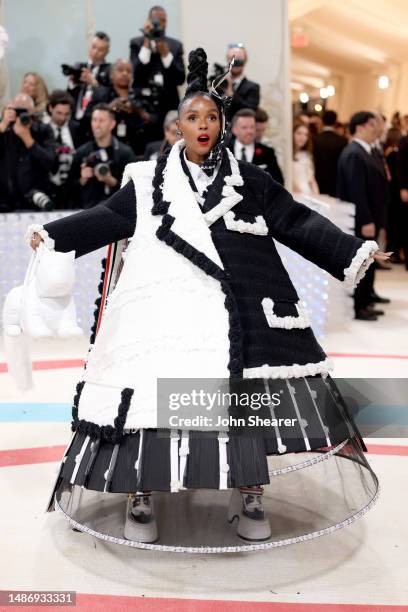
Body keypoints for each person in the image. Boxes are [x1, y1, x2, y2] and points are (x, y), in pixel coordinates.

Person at [28, 48, 386, 547]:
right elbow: (107, 218)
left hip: (238, 309)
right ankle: (141, 491)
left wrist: (354, 251)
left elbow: (295, 220)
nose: (203, 125)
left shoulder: (248, 179)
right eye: (192, 117)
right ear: (177, 126)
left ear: (221, 123)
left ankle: (250, 491)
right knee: (151, 397)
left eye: (211, 117)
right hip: (163, 312)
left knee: (238, 395)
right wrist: (52, 235)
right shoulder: (147, 179)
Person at [337, 111, 390, 320]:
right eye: (371, 125)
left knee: (369, 260)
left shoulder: (364, 151)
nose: (375, 129)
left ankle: (366, 299)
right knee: (361, 262)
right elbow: (356, 190)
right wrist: (366, 218)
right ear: (360, 127)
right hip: (362, 220)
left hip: (370, 218)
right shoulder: (353, 153)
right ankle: (359, 306)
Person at [68, 103, 136, 208]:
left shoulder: (125, 153)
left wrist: (111, 181)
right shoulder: (82, 152)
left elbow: (135, 190)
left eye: (101, 121)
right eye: (94, 120)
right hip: (86, 211)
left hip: (116, 212)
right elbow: (68, 190)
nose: (97, 125)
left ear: (112, 124)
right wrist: (82, 180)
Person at [86, 59, 158, 156]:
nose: (125, 73)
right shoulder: (100, 93)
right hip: (107, 149)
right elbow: (86, 119)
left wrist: (138, 111)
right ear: (112, 75)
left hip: (136, 148)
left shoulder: (140, 95)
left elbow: (156, 120)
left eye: (129, 71)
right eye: (120, 70)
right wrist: (109, 108)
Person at [0, 93, 56, 212]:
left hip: (36, 201)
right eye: (17, 110)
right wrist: (3, 125)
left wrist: (27, 138)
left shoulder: (43, 130)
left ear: (33, 112)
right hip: (6, 203)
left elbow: (49, 162)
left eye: (24, 110)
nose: (21, 115)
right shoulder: (5, 131)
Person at [129, 5, 185, 124]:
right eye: (156, 20)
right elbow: (135, 75)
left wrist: (166, 54)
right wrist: (146, 43)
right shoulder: (136, 44)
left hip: (169, 107)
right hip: (143, 108)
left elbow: (180, 79)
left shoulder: (175, 46)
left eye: (163, 20)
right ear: (148, 20)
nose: (160, 24)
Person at [66, 31, 112, 139]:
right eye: (93, 47)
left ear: (107, 52)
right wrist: (72, 82)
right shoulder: (79, 66)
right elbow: (69, 96)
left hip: (95, 123)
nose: (95, 52)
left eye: (101, 50)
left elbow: (109, 96)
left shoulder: (110, 71)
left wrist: (94, 83)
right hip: (74, 120)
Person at [43, 90, 82, 208]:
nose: (62, 118)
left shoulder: (76, 128)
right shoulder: (40, 128)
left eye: (66, 114)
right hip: (46, 186)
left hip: (71, 189)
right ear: (50, 108)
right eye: (59, 113)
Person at [227, 108, 283, 184]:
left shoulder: (268, 152)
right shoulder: (223, 151)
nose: (249, 131)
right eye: (244, 127)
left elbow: (279, 183)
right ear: (234, 130)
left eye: (252, 127)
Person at [313, 110, 347, 197]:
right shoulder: (342, 141)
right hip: (334, 182)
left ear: (322, 121)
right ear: (335, 122)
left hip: (317, 180)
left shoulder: (315, 139)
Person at [223, 43, 260, 122]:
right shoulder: (221, 85)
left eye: (238, 62)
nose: (235, 65)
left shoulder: (253, 87)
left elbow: (251, 111)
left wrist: (231, 95)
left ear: (244, 62)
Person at [292, 119, 319, 195]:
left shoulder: (307, 155)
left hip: (308, 192)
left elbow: (312, 180)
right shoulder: (287, 157)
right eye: (299, 133)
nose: (303, 138)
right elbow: (291, 182)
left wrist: (317, 196)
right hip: (294, 194)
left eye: (306, 135)